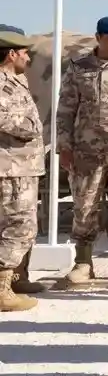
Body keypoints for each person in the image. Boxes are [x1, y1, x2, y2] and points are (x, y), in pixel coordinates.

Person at [56, 16, 108, 287]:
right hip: (86, 151)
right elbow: (65, 110)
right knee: (84, 206)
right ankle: (83, 262)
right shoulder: (78, 68)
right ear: (98, 38)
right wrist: (64, 147)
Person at [0, 25, 44, 311]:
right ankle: (2, 290)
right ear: (12, 54)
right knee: (18, 226)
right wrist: (30, 126)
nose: (28, 58)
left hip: (21, 166)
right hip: (12, 167)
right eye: (25, 53)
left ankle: (15, 277)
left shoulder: (16, 80)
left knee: (18, 225)